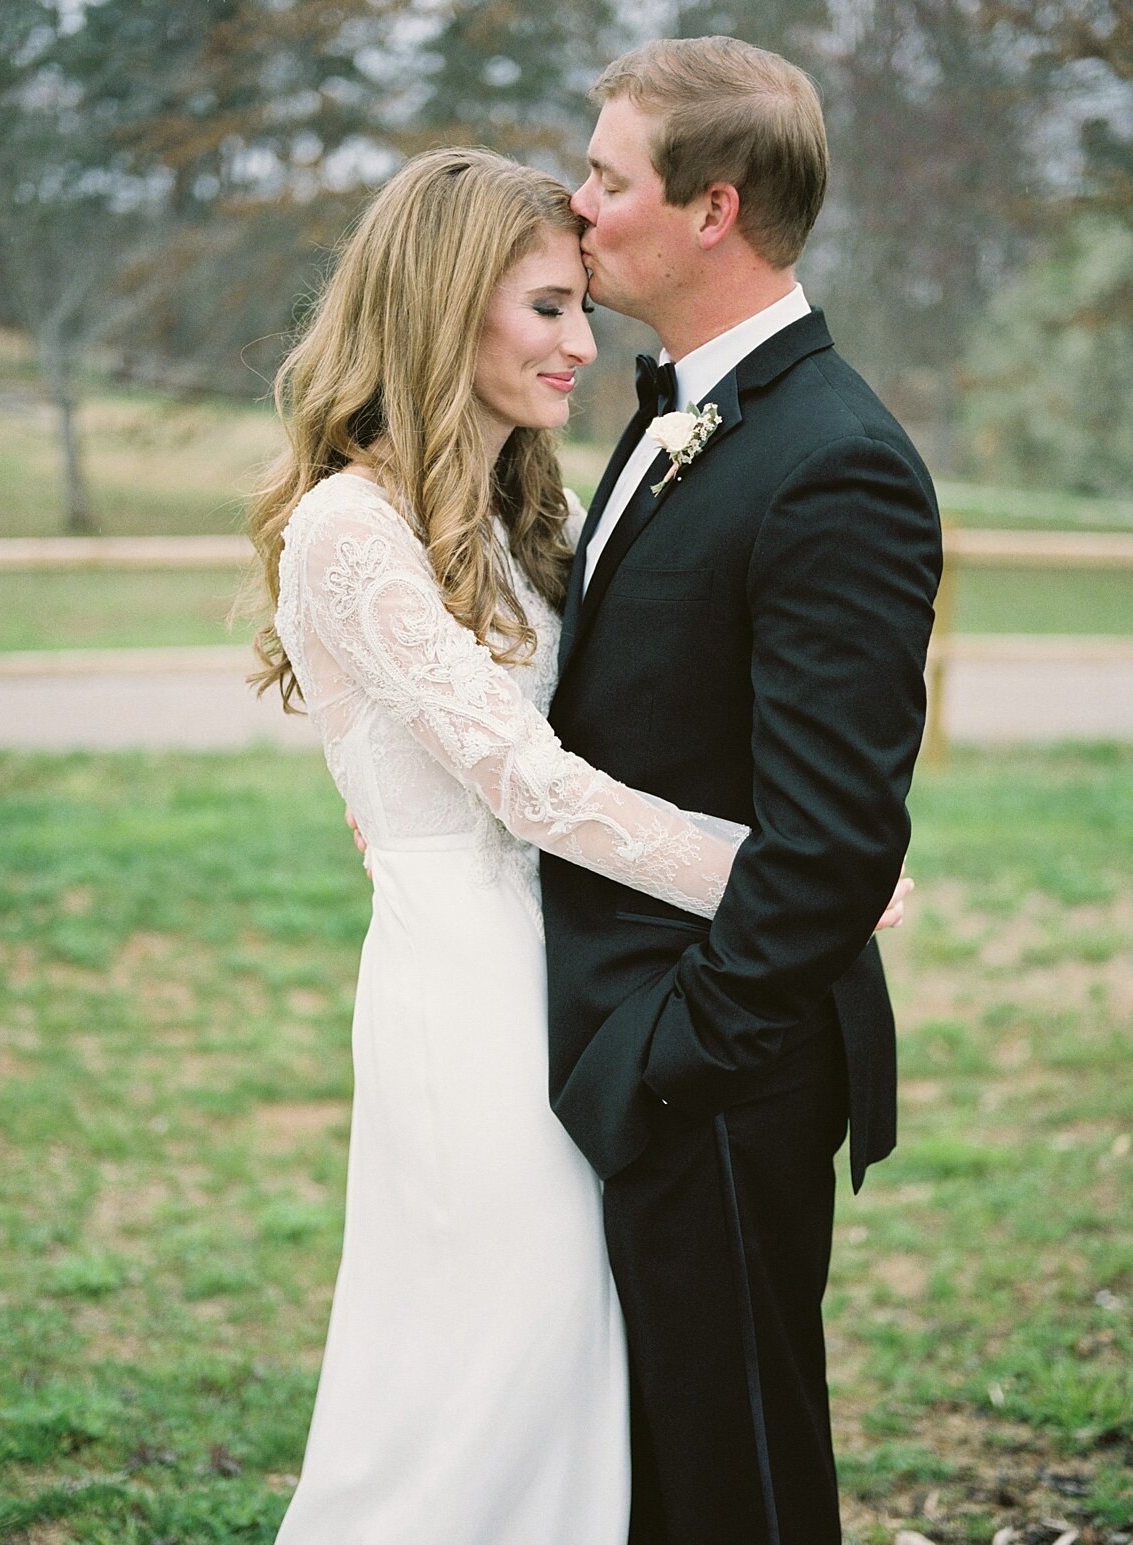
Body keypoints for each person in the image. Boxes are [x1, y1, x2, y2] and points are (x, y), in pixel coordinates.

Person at [250, 146, 913, 1540]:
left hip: (569, 974)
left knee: (570, 1366)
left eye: (582, 313)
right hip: (467, 989)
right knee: (482, 1370)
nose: (576, 345)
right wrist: (794, 873)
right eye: (547, 307)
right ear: (444, 308)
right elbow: (532, 784)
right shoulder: (349, 527)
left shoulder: (512, 506)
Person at [548, 39, 941, 1544]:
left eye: (608, 175)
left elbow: (838, 835)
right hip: (635, 1037)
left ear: (711, 209)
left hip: (717, 1064)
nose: (579, 206)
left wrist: (680, 1054)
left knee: (739, 1479)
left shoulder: (835, 460)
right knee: (658, 1467)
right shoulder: (679, 413)